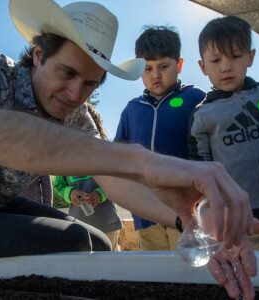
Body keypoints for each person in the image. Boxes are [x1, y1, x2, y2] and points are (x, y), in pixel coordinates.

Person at [0, 0, 259, 298]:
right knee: (73, 240)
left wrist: (190, 221)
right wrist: (141, 159)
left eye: (90, 83)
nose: (75, 94)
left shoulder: (77, 114)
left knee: (98, 242)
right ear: (39, 54)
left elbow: (115, 179)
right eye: (67, 73)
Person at [188, 16, 259, 251]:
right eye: (216, 60)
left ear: (250, 57)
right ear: (202, 67)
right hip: (237, 219)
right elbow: (202, 173)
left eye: (235, 56)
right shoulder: (202, 115)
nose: (226, 67)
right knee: (250, 278)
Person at [114, 26, 206, 251]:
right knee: (157, 277)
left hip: (188, 213)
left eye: (163, 66)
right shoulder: (132, 110)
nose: (155, 75)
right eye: (147, 68)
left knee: (193, 275)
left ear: (180, 65)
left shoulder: (196, 99)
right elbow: (117, 157)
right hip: (145, 217)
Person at [53, 103, 122, 251]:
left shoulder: (105, 154)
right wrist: (70, 193)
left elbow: (116, 182)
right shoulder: (63, 159)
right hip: (78, 226)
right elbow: (59, 185)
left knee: (111, 263)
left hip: (108, 223)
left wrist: (99, 194)